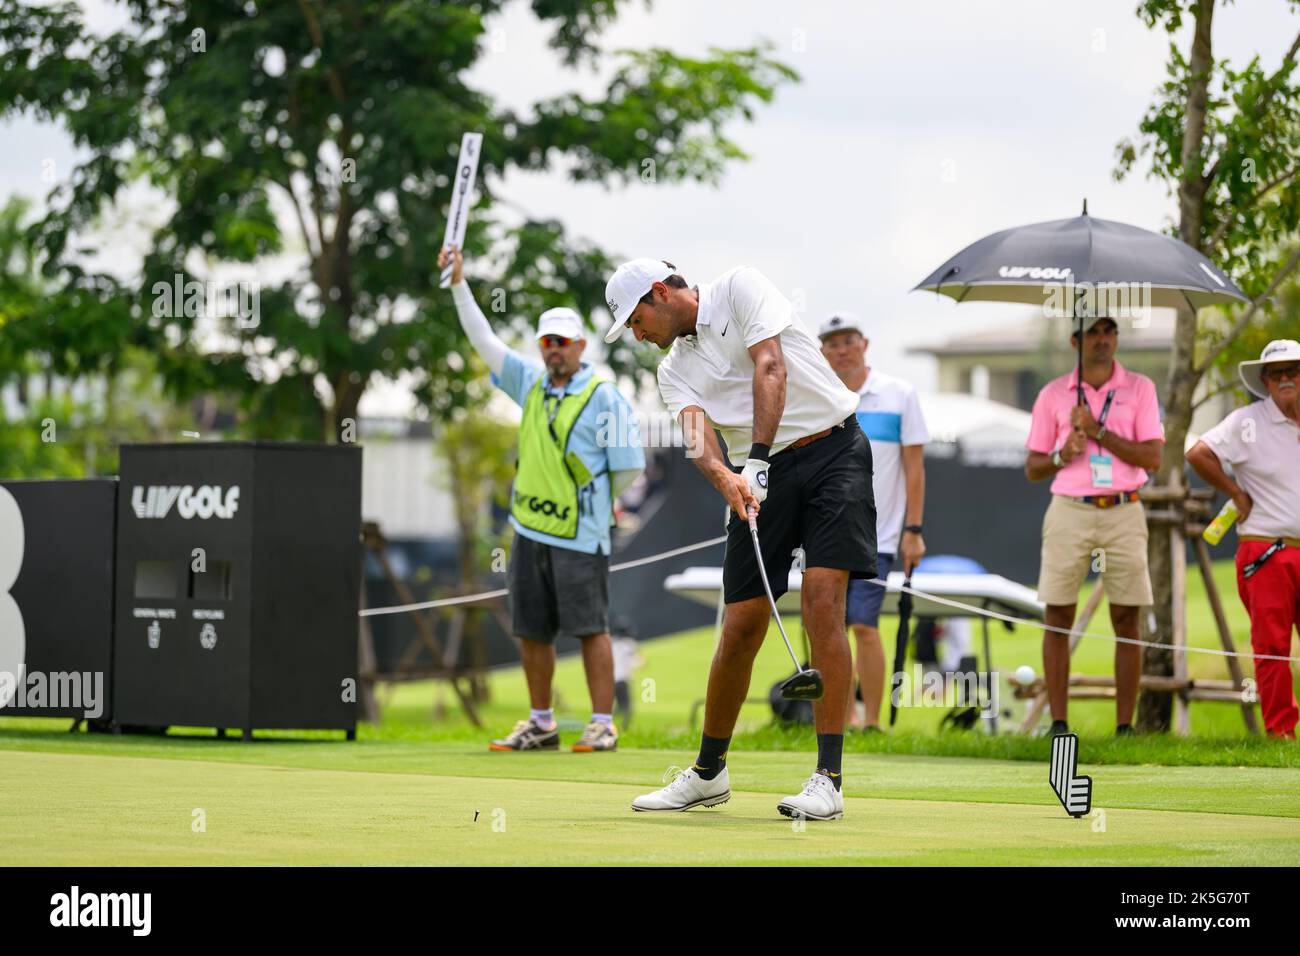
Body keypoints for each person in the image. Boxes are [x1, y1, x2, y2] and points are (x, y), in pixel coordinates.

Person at [604, 258, 874, 821]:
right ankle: (708, 772)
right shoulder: (671, 369)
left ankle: (828, 779)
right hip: (758, 475)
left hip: (833, 454)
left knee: (824, 601)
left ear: (659, 293)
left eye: (635, 320)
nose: (637, 334)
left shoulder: (739, 288)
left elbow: (770, 366)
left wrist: (754, 462)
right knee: (742, 621)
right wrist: (729, 480)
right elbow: (698, 436)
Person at [438, 247, 644, 753]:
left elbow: (629, 466)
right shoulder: (529, 382)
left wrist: (597, 505)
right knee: (532, 628)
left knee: (590, 627)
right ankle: (541, 722)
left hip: (581, 532)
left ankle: (602, 724)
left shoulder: (605, 394)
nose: (553, 349)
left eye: (562, 342)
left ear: (580, 345)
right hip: (529, 530)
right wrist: (460, 285)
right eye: (546, 341)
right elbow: (484, 343)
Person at [1024, 315, 1164, 737]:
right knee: (1058, 613)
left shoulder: (1140, 388)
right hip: (1070, 508)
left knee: (1126, 616)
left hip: (1124, 507)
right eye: (1093, 333)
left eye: (1109, 332)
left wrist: (1098, 430)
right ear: (1075, 340)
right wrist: (1062, 454)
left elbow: (1152, 458)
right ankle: (1059, 723)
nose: (1102, 340)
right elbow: (1033, 467)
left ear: (1116, 338)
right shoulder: (1052, 394)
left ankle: (1125, 726)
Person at [819, 311, 929, 730]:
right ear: (822, 352)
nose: (842, 349)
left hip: (879, 538)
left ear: (864, 344)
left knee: (864, 626)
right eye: (832, 343)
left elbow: (914, 469)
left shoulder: (900, 395)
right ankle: (841, 720)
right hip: (826, 534)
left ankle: (873, 722)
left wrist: (913, 531)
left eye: (848, 341)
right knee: (832, 629)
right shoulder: (818, 397)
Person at [1186, 339, 1300, 738]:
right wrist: (1235, 492)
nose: (1286, 378)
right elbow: (1199, 453)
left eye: (1294, 371)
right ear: (1266, 380)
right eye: (1277, 373)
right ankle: (1281, 732)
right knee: (1271, 648)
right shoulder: (1246, 421)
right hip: (1267, 548)